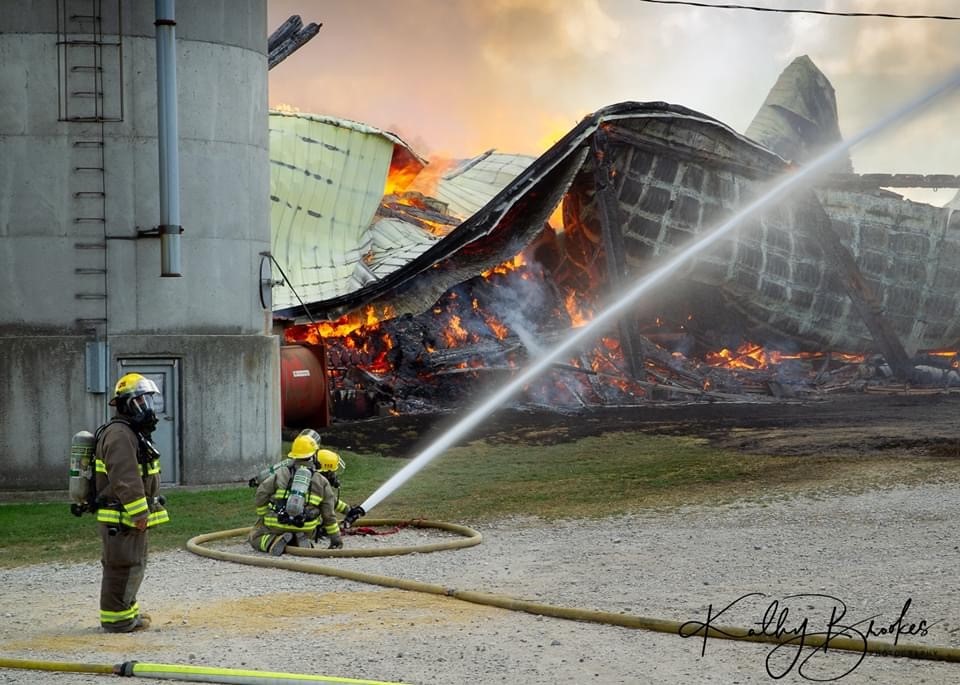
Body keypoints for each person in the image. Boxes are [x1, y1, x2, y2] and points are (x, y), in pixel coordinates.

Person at [93, 372, 170, 633]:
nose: (146, 408)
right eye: (139, 402)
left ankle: (128, 612)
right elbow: (125, 477)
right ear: (125, 405)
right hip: (122, 518)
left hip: (127, 518)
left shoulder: (130, 432)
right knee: (122, 565)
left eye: (148, 401)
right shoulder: (119, 435)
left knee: (133, 563)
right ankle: (118, 620)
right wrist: (140, 513)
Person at [248, 431, 362, 555]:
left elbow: (261, 493)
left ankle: (271, 541)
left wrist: (263, 514)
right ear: (314, 455)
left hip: (277, 523)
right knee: (311, 524)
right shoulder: (321, 480)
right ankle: (301, 540)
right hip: (306, 527)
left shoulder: (281, 473)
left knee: (254, 536)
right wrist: (336, 540)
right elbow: (329, 516)